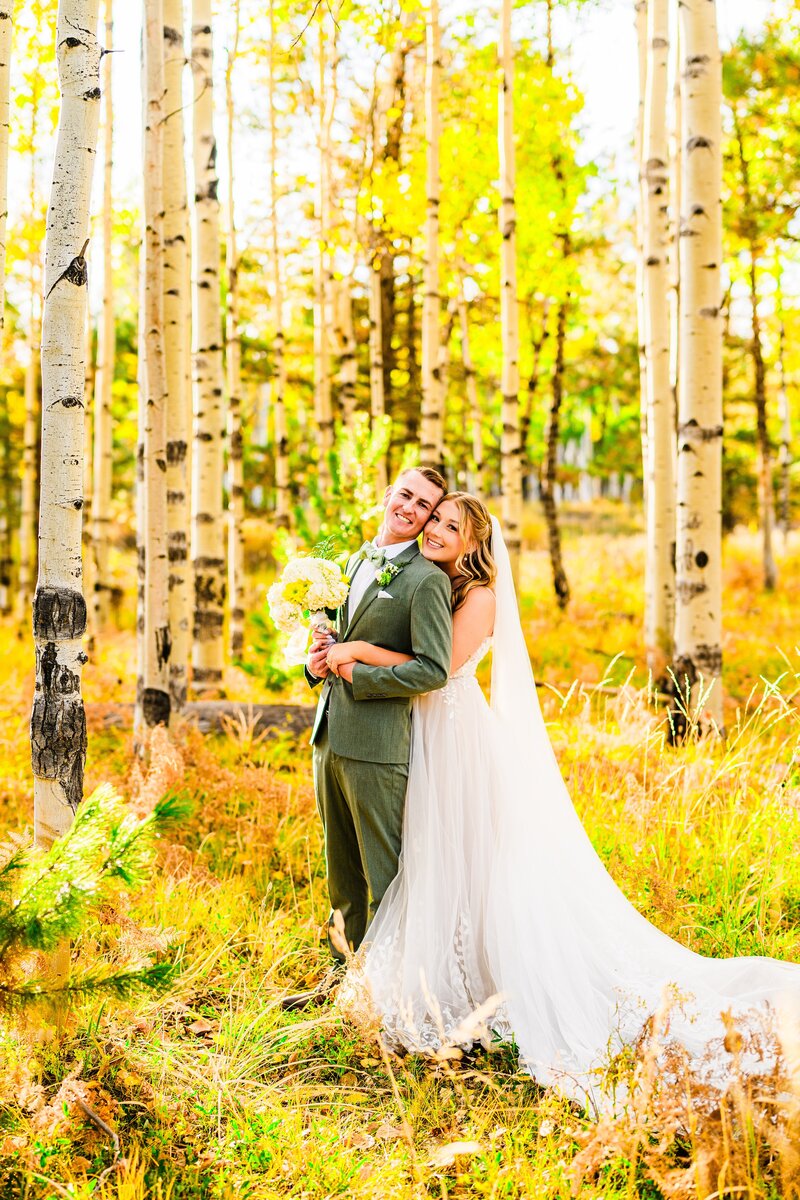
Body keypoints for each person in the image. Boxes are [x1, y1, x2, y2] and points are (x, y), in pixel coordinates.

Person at [325, 492, 800, 1106]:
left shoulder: (479, 596)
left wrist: (356, 653)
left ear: (476, 544)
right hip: (422, 732)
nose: (437, 529)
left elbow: (437, 669)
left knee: (466, 855)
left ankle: (473, 986)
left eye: (452, 526)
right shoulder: (428, 580)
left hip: (454, 735)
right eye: (436, 519)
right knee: (436, 854)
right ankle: (438, 972)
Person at [282, 468, 453, 1011]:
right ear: (388, 494)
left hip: (378, 746)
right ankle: (343, 985)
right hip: (330, 734)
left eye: (424, 505)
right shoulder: (353, 563)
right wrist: (318, 664)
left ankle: (392, 1000)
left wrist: (359, 674)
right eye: (406, 494)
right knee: (341, 874)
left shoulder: (426, 580)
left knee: (384, 879)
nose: (410, 508)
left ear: (429, 519)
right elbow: (342, 643)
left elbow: (432, 670)